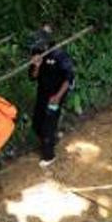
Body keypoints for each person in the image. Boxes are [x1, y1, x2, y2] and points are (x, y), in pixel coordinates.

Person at [28, 28, 76, 168]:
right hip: (42, 92)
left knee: (48, 124)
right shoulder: (37, 53)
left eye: (40, 42)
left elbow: (68, 79)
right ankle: (50, 139)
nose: (38, 45)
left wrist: (57, 96)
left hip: (56, 94)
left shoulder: (60, 55)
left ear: (47, 42)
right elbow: (32, 77)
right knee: (37, 123)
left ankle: (49, 155)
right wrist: (36, 66)